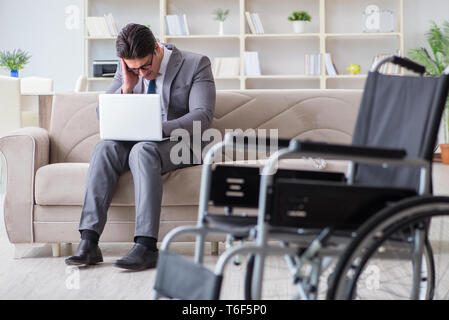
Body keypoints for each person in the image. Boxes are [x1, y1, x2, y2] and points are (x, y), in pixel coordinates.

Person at [65, 23, 216, 270]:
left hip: (179, 143)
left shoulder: (196, 64)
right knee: (104, 149)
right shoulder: (128, 68)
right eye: (133, 68)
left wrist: (157, 129)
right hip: (135, 142)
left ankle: (146, 246)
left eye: (145, 66)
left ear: (156, 49)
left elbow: (203, 116)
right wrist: (126, 87)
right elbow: (102, 112)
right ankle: (89, 241)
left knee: (143, 150)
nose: (142, 73)